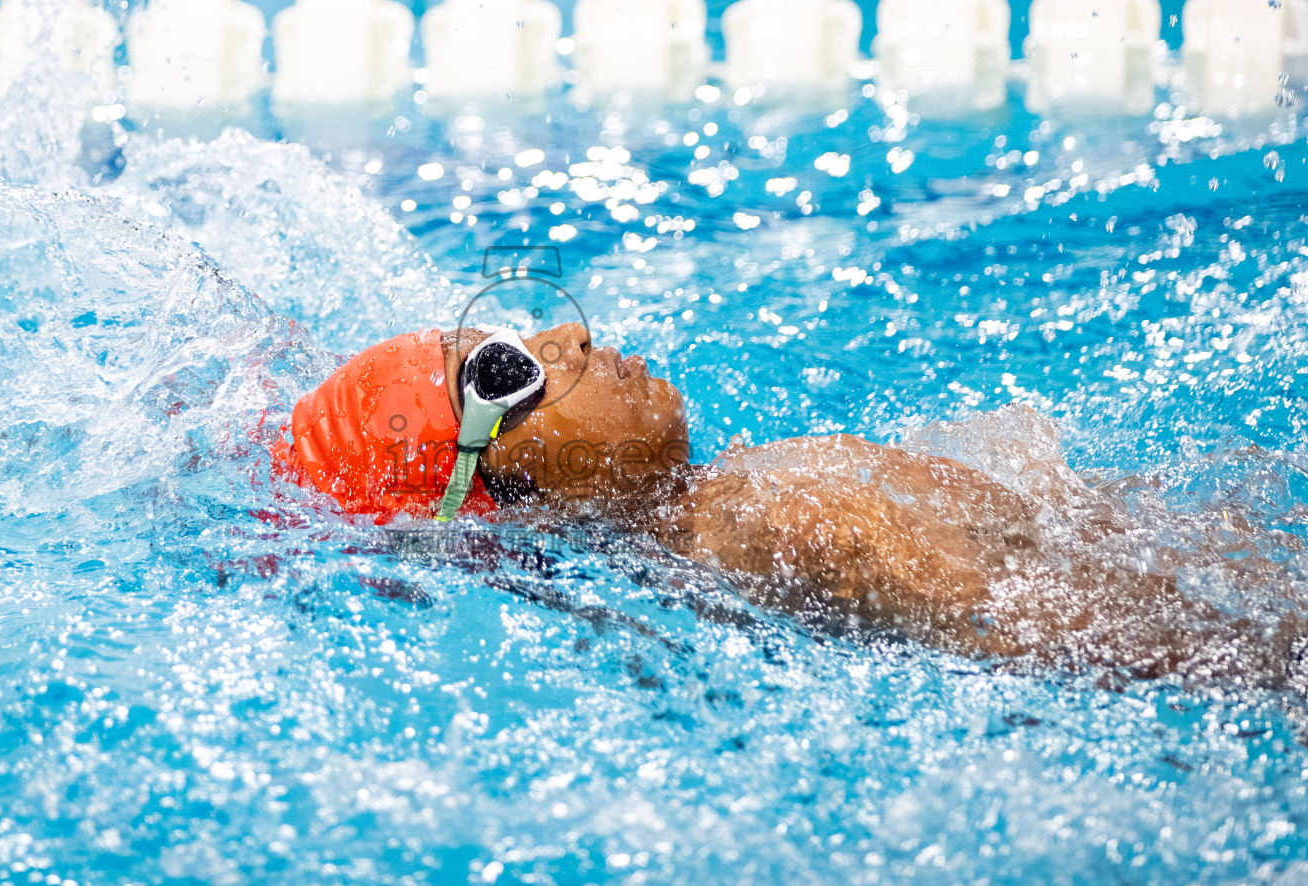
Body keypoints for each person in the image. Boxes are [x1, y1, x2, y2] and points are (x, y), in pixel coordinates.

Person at [273, 321, 1307, 690]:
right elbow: (1048, 619)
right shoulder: (771, 521)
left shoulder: (738, 494)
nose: (571, 338)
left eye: (516, 327)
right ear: (505, 495)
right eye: (511, 370)